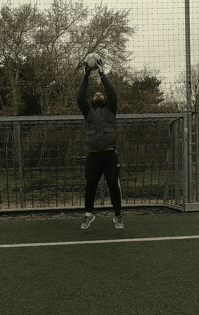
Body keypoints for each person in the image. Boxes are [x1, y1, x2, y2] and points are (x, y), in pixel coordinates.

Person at [77, 59, 124, 229]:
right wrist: (86, 76)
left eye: (100, 94)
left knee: (113, 185)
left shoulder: (111, 109)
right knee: (90, 185)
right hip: (93, 156)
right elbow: (80, 97)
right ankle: (88, 214)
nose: (98, 94)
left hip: (110, 155)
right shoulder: (88, 112)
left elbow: (113, 93)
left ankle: (118, 215)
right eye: (95, 94)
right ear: (92, 100)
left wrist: (102, 74)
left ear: (103, 99)